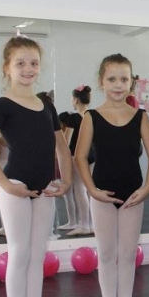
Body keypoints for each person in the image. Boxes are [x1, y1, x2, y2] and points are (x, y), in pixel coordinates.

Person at [0, 36, 73, 297]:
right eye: (21, 63)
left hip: (44, 189)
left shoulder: (47, 105)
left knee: (37, 254)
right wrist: (5, 184)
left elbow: (61, 147)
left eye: (33, 63)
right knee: (19, 254)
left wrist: (66, 180)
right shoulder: (1, 106)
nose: (28, 68)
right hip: (16, 187)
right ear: (7, 67)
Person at [74, 54, 149, 297]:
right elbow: (80, 157)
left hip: (133, 194)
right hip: (103, 194)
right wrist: (92, 190)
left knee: (128, 253)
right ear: (102, 82)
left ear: (131, 82)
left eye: (124, 79)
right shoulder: (92, 117)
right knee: (107, 253)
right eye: (112, 79)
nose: (118, 85)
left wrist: (147, 187)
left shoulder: (140, 116)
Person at [58, 85, 93, 236]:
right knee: (90, 189)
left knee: (79, 188)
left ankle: (84, 224)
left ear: (76, 99)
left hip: (78, 155)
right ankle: (91, 223)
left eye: (72, 98)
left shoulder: (74, 117)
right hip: (92, 154)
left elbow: (66, 140)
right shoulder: (93, 115)